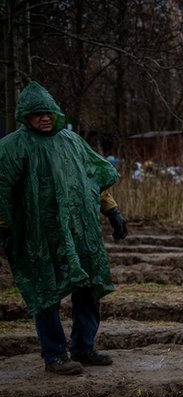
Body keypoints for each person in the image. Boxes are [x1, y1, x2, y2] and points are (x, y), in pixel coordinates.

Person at [0, 81, 128, 376]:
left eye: (48, 112)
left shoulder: (71, 141)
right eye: (37, 113)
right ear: (25, 116)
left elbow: (93, 177)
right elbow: (2, 191)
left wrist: (112, 211)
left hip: (80, 232)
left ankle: (84, 346)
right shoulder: (11, 148)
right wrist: (3, 227)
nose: (44, 118)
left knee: (87, 289)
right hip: (39, 238)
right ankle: (55, 354)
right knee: (46, 293)